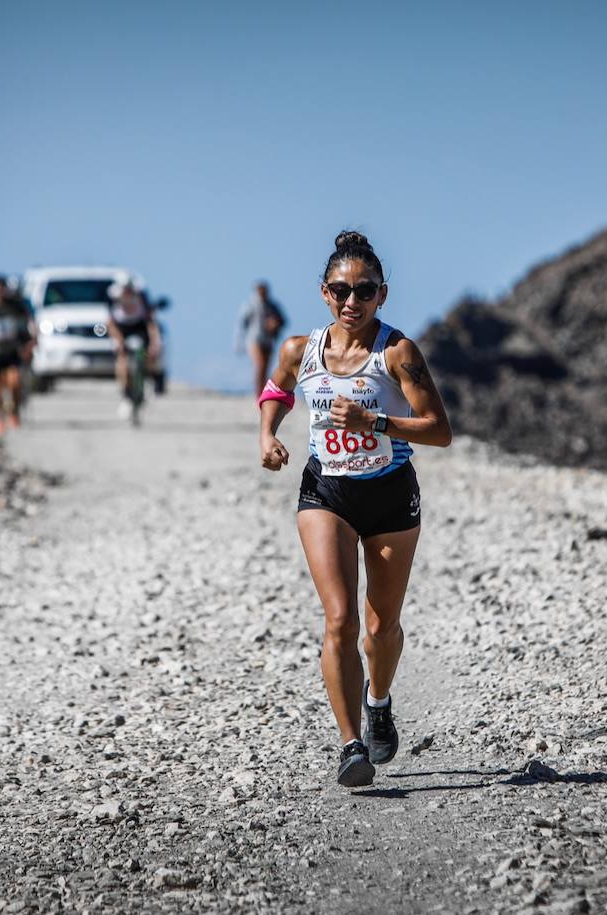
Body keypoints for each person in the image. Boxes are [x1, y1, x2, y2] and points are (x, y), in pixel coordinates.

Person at [258, 231, 452, 787]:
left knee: (380, 626)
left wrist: (376, 423)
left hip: (391, 492)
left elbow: (439, 430)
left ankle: (380, 700)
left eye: (364, 291)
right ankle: (350, 745)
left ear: (382, 294)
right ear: (324, 293)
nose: (352, 301)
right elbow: (276, 391)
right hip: (327, 493)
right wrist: (267, 435)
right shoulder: (302, 349)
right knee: (339, 620)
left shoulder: (397, 353)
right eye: (341, 290)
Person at [0, 274, 36, 434]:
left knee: (15, 382)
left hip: (12, 352)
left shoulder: (15, 306)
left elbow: (24, 327)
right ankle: (0, 419)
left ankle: (14, 412)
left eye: (1, 287)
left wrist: (28, 344)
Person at [106, 279, 163, 418]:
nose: (127, 293)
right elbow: (110, 324)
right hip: (122, 330)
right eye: (124, 289)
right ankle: (126, 395)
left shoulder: (141, 299)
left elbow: (151, 323)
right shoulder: (113, 300)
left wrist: (154, 344)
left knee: (151, 355)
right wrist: (119, 341)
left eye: (129, 289)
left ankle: (151, 380)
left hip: (140, 329)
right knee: (122, 361)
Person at [238, 280, 286, 393]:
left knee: (265, 369)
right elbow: (241, 324)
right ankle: (258, 393)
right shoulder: (250, 305)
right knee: (259, 365)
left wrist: (275, 323)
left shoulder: (273, 306)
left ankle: (264, 392)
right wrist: (239, 342)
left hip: (269, 340)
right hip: (254, 340)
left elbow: (283, 321)